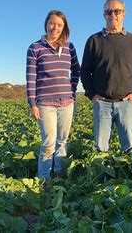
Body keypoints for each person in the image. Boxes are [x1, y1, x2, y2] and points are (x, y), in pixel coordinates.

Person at [81, 0, 132, 154]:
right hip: (102, 104)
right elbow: (85, 71)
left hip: (126, 103)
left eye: (117, 11)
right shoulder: (94, 40)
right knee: (101, 147)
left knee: (130, 146)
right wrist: (92, 95)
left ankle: (131, 177)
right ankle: (102, 178)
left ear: (123, 14)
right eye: (108, 12)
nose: (113, 15)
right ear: (104, 15)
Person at [26, 10, 80, 179]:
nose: (54, 28)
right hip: (45, 104)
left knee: (62, 142)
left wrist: (71, 90)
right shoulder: (35, 48)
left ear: (64, 27)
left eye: (59, 25)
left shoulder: (69, 47)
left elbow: (76, 70)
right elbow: (31, 78)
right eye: (52, 23)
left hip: (66, 103)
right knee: (49, 142)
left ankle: (59, 175)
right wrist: (33, 104)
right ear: (46, 24)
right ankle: (44, 180)